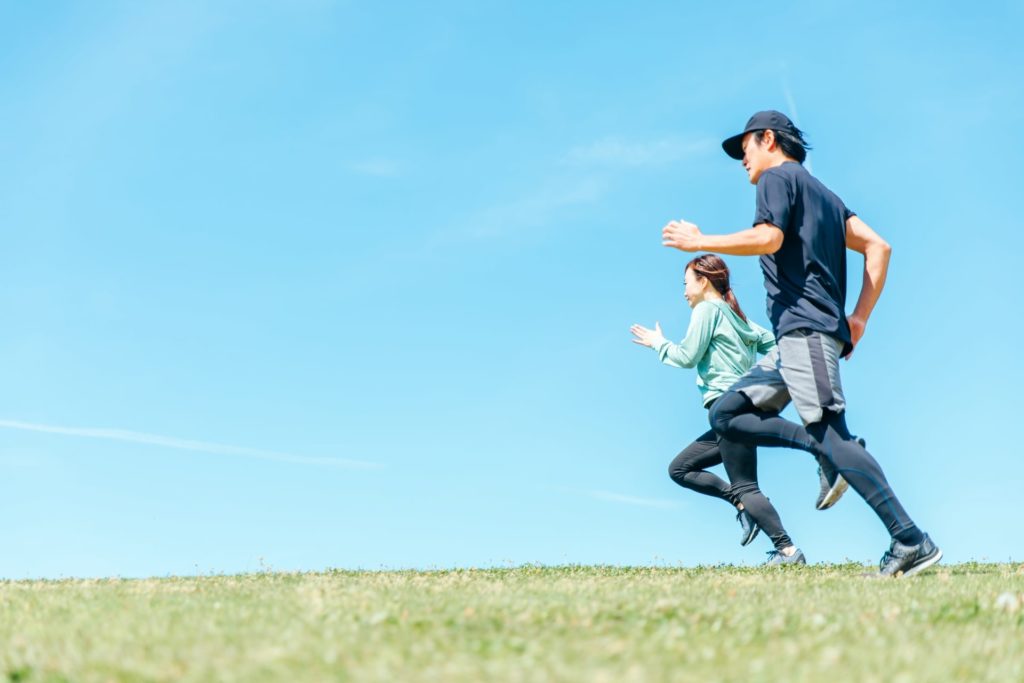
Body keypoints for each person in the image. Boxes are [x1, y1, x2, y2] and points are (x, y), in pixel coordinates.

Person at [661, 110, 941, 578]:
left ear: (768, 139)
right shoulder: (826, 197)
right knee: (726, 412)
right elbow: (879, 247)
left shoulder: (776, 179)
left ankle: (909, 539)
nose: (742, 161)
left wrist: (700, 241)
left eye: (745, 147)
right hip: (797, 336)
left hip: (806, 330)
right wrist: (858, 319)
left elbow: (768, 238)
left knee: (830, 432)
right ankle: (825, 455)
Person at [631, 254, 825, 564]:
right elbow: (775, 343)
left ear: (703, 281)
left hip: (727, 408)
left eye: (686, 283)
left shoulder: (707, 310)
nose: (683, 292)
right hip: (739, 408)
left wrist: (658, 342)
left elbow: (687, 356)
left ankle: (788, 550)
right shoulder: (737, 316)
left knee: (746, 485)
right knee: (680, 469)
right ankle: (747, 510)